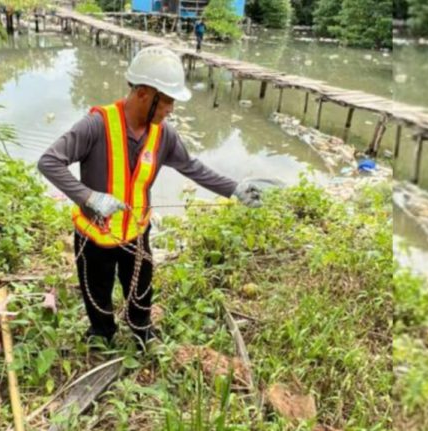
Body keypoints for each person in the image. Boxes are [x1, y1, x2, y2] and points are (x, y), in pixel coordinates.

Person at [37, 46, 262, 349]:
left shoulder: (163, 135)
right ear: (144, 93)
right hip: (95, 235)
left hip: (136, 233)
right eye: (167, 100)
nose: (171, 109)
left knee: (140, 289)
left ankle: (141, 330)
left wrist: (233, 189)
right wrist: (89, 197)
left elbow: (193, 167)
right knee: (96, 290)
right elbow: (49, 161)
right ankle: (102, 334)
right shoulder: (96, 125)